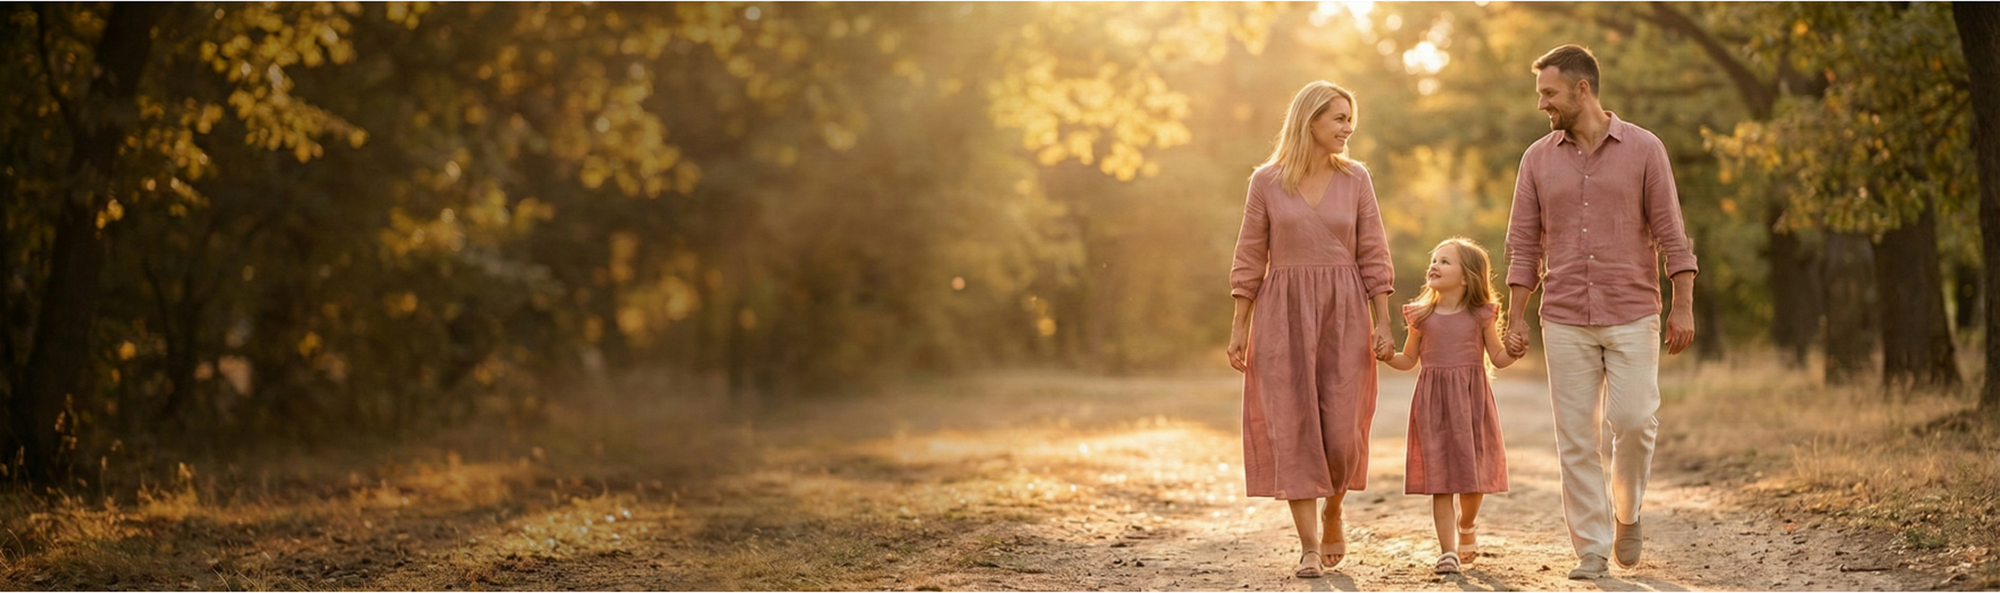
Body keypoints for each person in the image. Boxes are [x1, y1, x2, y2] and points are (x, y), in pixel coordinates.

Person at [1501, 44, 1699, 580]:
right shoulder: (1536, 159)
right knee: (1576, 436)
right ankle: (1591, 546)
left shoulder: (1644, 148)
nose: (1542, 103)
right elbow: (1523, 244)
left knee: (1634, 422)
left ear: (1581, 89)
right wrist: (1515, 316)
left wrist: (1682, 305)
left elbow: (1671, 232)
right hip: (1563, 316)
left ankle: (1627, 511)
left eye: (1549, 92)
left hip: (1633, 309)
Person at [1227, 80, 1396, 579]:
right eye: (1340, 119)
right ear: (1310, 121)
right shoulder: (1266, 181)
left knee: (1343, 432)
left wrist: (1383, 320)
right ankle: (1307, 546)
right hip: (1281, 314)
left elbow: (1374, 252)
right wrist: (1240, 325)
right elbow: (1249, 256)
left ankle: (1335, 509)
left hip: (1344, 312)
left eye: (1351, 120)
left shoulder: (1356, 178)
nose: (1348, 128)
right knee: (1293, 426)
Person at [1381, 238, 1518, 575]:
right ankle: (1448, 551)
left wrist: (1515, 350)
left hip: (1472, 402)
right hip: (1433, 404)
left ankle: (1467, 523)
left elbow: (1498, 358)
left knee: (1472, 480)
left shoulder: (1481, 315)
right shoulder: (1422, 316)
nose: (1435, 266)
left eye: (1445, 262)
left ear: (1467, 277)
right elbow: (1408, 359)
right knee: (1440, 479)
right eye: (1435, 259)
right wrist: (1386, 356)